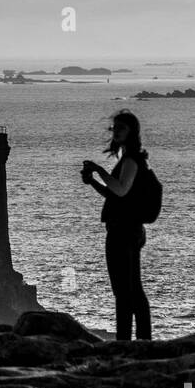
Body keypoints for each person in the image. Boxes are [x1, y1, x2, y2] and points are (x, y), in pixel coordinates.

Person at [81, 110, 152, 341]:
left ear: (132, 132)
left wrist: (100, 170)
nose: (116, 131)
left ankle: (132, 341)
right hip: (126, 230)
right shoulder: (128, 160)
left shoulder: (131, 161)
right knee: (128, 290)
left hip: (124, 232)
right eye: (115, 127)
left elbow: (120, 189)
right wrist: (93, 181)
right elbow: (115, 195)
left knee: (126, 292)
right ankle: (137, 340)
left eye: (121, 128)